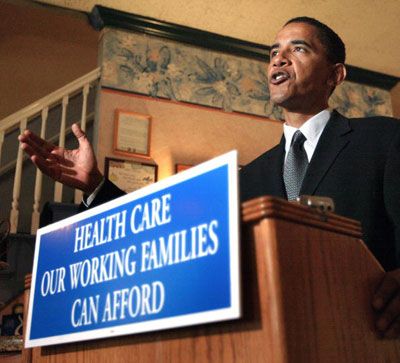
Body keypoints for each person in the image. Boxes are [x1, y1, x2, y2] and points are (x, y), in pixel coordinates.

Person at [19, 17, 400, 338]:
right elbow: (168, 238)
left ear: (336, 75)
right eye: (273, 52)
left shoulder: (384, 139)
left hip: (369, 339)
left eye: (298, 49)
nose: (278, 60)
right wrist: (95, 186)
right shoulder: (250, 177)